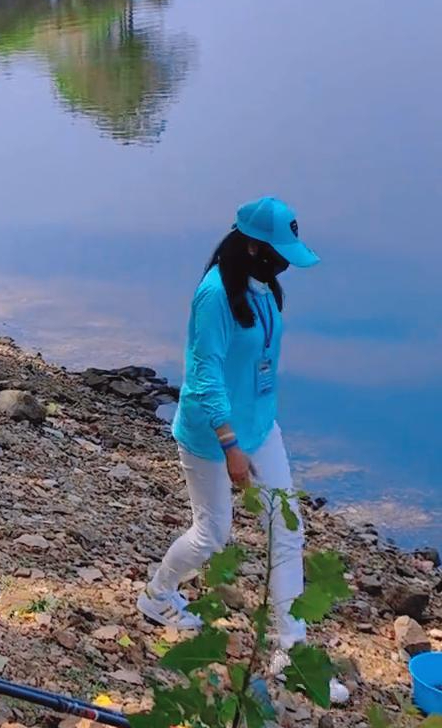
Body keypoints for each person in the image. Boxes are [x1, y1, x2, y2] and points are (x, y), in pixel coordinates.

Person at [138, 198, 348, 705]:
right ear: (253, 246)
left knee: (287, 528)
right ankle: (158, 594)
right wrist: (231, 445)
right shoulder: (213, 296)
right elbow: (205, 374)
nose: (285, 266)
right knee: (213, 535)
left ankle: (290, 651)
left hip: (260, 427)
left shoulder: (265, 288)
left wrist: (255, 431)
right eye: (279, 254)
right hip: (213, 434)